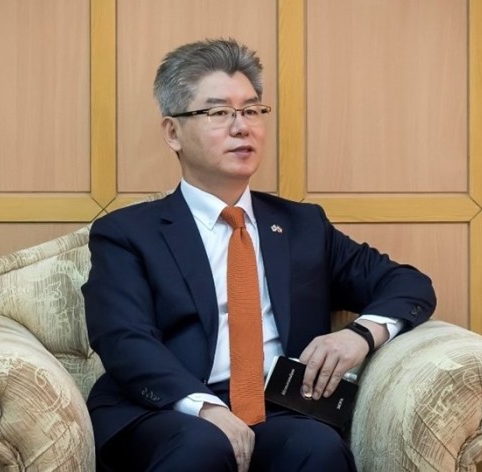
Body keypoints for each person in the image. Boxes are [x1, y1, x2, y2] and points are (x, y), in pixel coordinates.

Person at [82, 38, 436, 472]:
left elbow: (408, 284)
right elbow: (123, 338)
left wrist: (360, 334)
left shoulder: (303, 226)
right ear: (173, 132)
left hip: (276, 407)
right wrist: (206, 408)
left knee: (318, 448)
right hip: (168, 410)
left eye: (251, 111)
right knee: (202, 446)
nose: (241, 127)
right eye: (218, 113)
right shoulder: (127, 233)